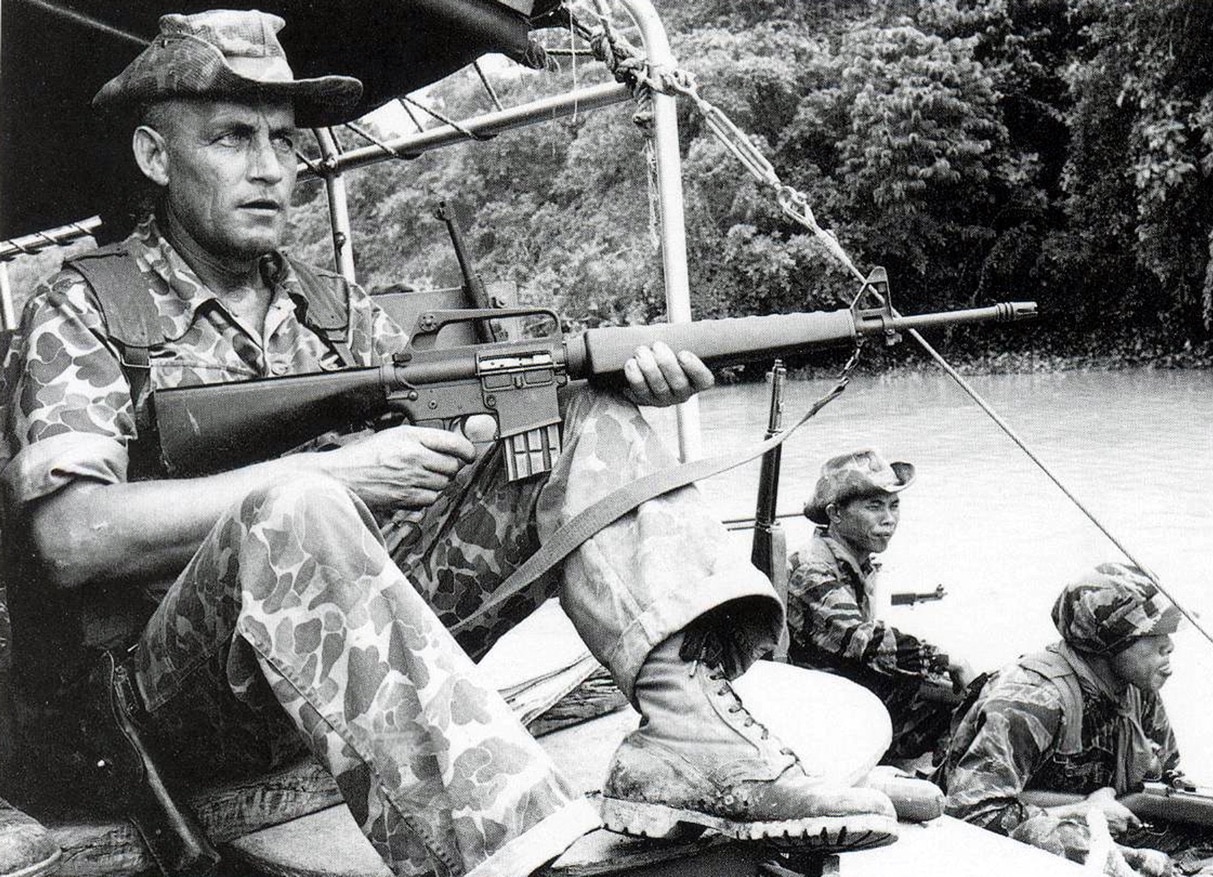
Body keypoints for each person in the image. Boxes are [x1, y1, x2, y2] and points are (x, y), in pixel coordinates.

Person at [0, 10, 897, 877]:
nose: (272, 167)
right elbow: (70, 537)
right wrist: (324, 473)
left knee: (570, 411)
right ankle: (515, 843)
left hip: (348, 655)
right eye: (232, 138)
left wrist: (590, 393)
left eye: (285, 140)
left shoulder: (334, 306)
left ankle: (689, 736)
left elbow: (436, 456)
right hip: (174, 702)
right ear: (155, 156)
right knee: (297, 503)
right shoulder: (84, 307)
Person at [941, 562, 1213, 877]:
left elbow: (1165, 787)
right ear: (1108, 643)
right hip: (1005, 845)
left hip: (1105, 828)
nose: (1169, 644)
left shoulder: (1138, 693)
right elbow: (967, 813)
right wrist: (1084, 815)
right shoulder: (1033, 698)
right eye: (1154, 633)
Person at [786, 449, 972, 768]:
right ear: (835, 514)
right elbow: (863, 640)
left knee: (967, 698)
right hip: (821, 715)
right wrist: (946, 660)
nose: (888, 519)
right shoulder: (812, 569)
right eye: (874, 506)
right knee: (963, 700)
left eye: (894, 505)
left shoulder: (856, 562)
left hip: (850, 693)